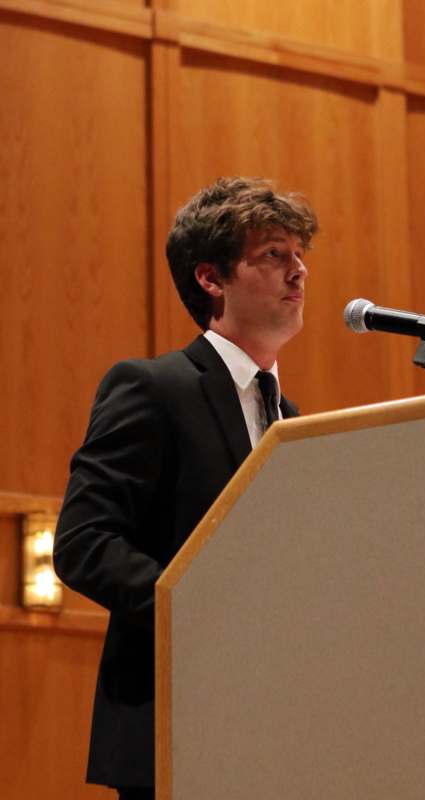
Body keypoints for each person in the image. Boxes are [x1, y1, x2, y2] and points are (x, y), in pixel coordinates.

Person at [53, 176, 318, 799]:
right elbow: (84, 542)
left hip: (279, 734)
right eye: (274, 254)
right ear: (211, 279)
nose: (298, 271)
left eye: (300, 255)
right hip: (178, 721)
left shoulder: (295, 422)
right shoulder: (153, 387)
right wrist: (201, 609)